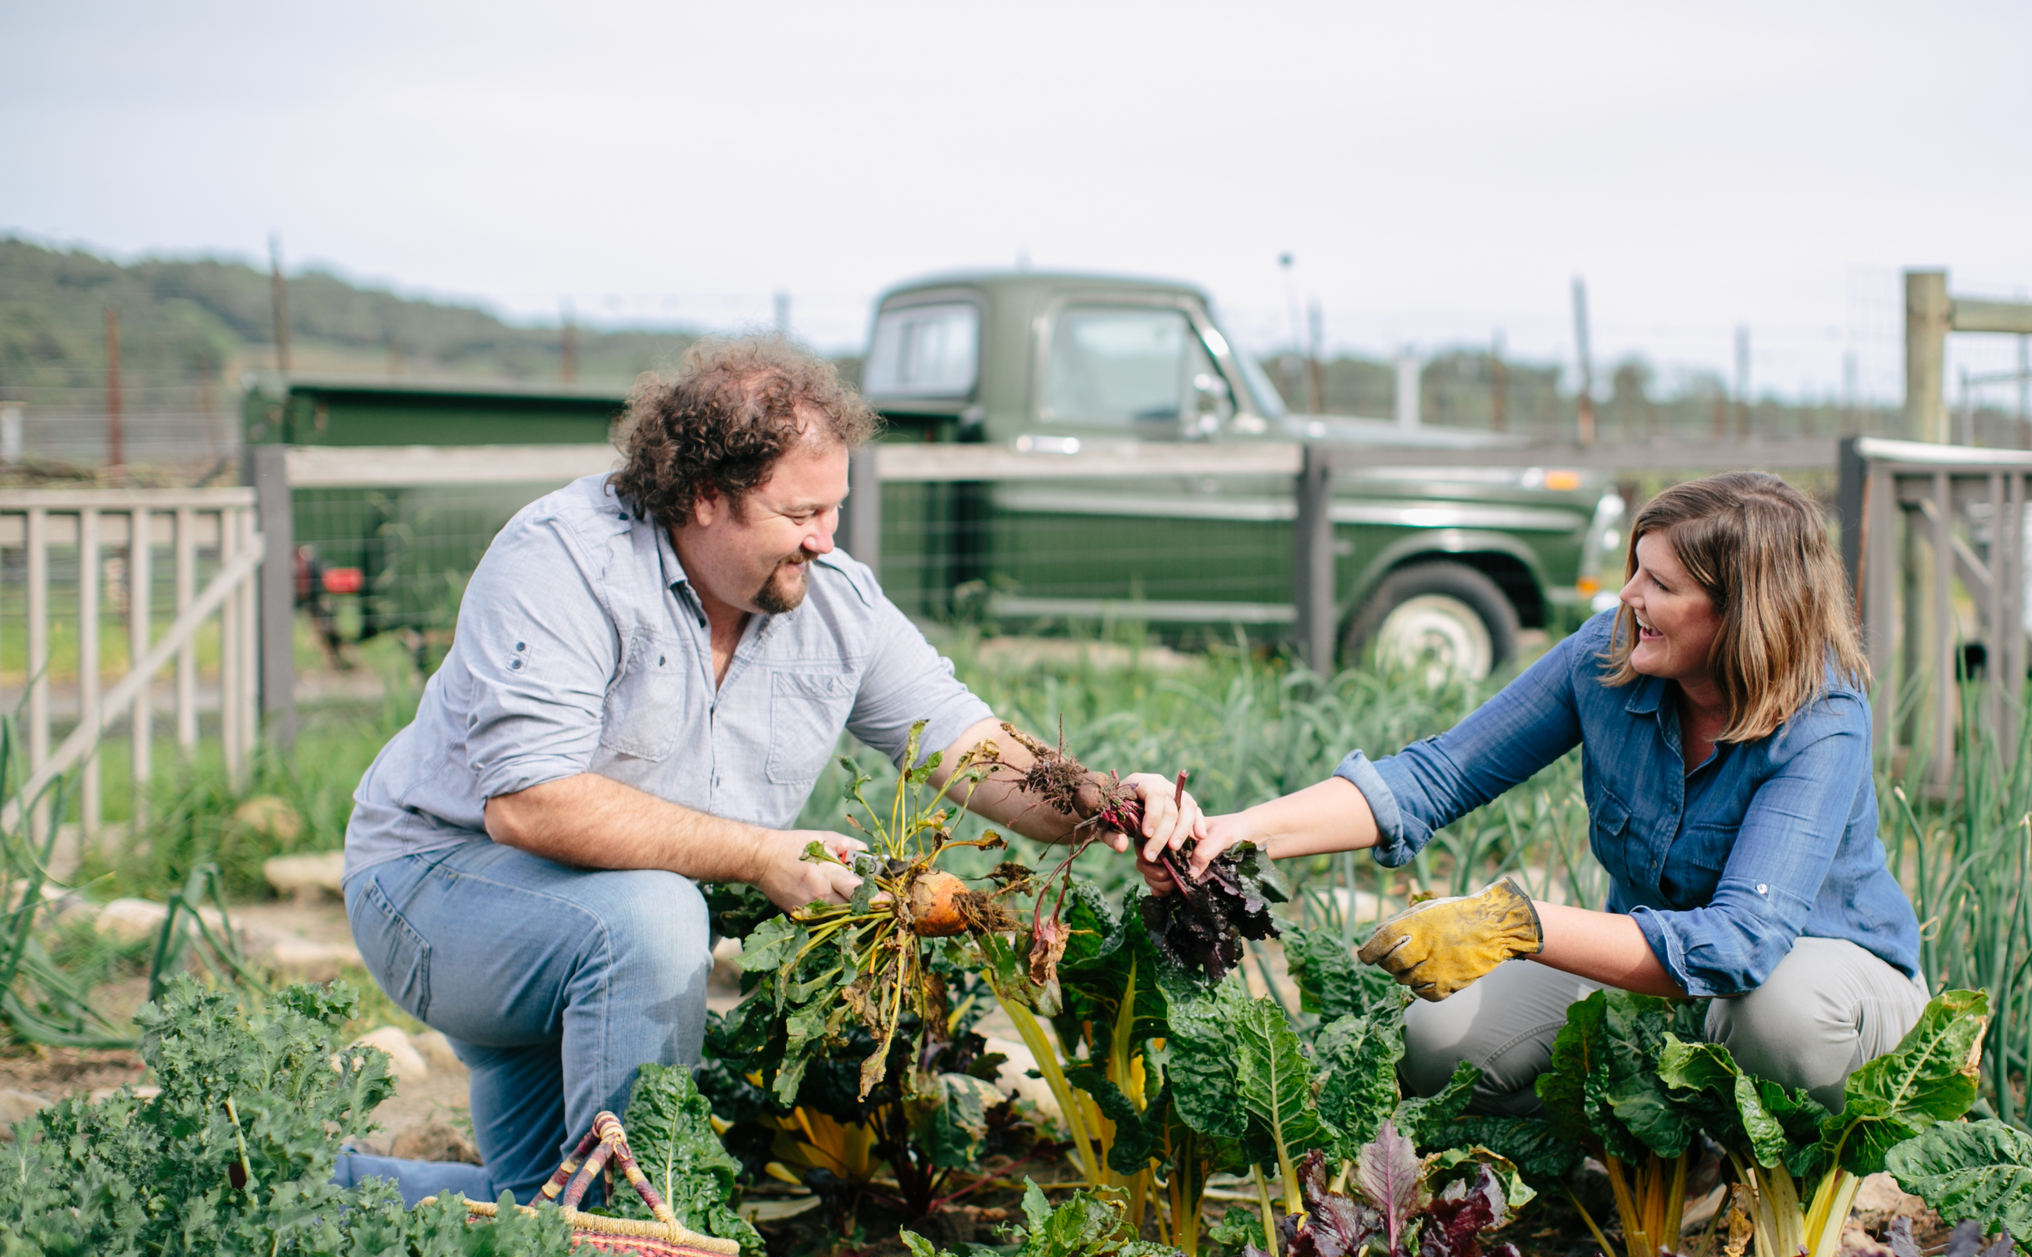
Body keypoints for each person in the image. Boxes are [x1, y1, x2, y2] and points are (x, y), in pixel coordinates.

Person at [337, 339, 1198, 1205]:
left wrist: (1114, 805)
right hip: (436, 887)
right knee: (657, 919)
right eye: (800, 513)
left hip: (594, 918)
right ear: (705, 494)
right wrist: (761, 855)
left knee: (531, 1219)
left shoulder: (833, 603)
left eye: (835, 509)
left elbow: (973, 746)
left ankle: (314, 1191)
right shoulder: (564, 562)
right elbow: (531, 802)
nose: (826, 539)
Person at [1184, 471, 1924, 1118]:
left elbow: (1741, 943)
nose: (1629, 596)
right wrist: (1238, 832)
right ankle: (1660, 1163)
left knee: (1775, 1018)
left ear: (1741, 614)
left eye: (1661, 585)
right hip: (1666, 978)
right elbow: (1437, 774)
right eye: (1635, 569)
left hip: (1822, 982)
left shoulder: (1821, 719)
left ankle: (1800, 1181)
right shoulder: (1608, 657)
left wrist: (1519, 923)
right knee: (1435, 1041)